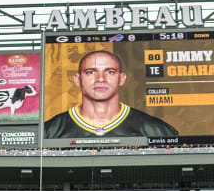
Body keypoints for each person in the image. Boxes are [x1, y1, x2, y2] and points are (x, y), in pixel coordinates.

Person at [44, 50, 179, 139]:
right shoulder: (50, 131)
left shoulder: (155, 129)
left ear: (122, 78)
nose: (101, 79)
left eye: (110, 72)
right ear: (77, 79)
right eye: (91, 72)